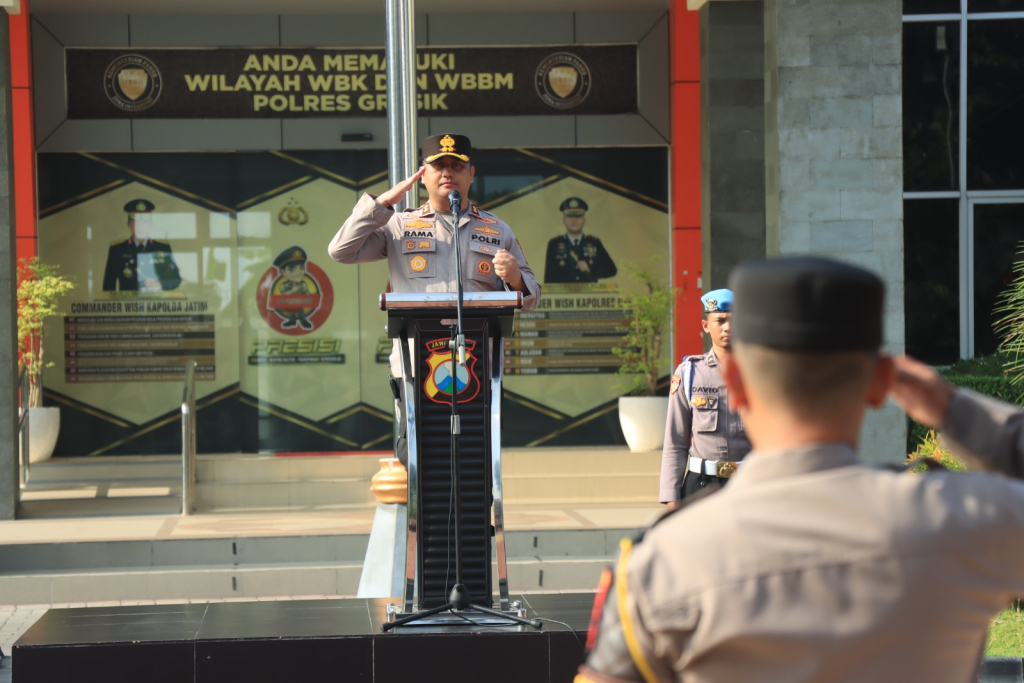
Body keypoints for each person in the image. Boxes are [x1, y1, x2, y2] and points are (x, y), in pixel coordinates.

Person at [577, 255, 1024, 683]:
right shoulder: (969, 522)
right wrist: (953, 410)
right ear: (880, 385)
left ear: (737, 385)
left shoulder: (660, 565)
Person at [327, 133, 541, 463]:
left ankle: (475, 516)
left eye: (457, 166)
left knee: (474, 456)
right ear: (422, 174)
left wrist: (514, 277)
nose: (447, 173)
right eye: (438, 165)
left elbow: (532, 297)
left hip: (475, 364)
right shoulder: (399, 225)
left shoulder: (497, 230)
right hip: (417, 365)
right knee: (416, 455)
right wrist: (382, 204)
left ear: (472, 174)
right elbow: (341, 251)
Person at [659, 289, 751, 509]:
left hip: (749, 484)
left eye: (732, 320)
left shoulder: (759, 372)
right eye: (719, 320)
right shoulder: (689, 373)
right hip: (700, 485)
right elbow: (675, 442)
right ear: (706, 326)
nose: (727, 327)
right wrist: (672, 499)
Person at [102, 199, 181, 292]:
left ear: (151, 224)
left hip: (155, 304)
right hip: (127, 304)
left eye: (144, 222)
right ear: (128, 224)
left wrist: (160, 283)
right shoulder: (117, 249)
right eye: (136, 222)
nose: (140, 226)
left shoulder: (162, 248)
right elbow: (108, 285)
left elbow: (175, 279)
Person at [544, 197, 617, 284]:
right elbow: (549, 279)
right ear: (564, 220)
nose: (574, 220)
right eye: (570, 215)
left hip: (589, 296)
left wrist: (590, 269)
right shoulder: (554, 244)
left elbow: (611, 270)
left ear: (584, 220)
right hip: (564, 296)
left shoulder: (594, 243)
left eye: (578, 215)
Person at [271, 245, 315, 330]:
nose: (299, 272)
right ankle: (292, 320)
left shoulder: (302, 284)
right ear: (282, 271)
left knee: (301, 312)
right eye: (292, 269)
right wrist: (292, 290)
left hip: (300, 304)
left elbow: (307, 294)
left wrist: (310, 298)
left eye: (302, 268)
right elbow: (283, 296)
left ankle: (303, 321)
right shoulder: (284, 285)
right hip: (289, 304)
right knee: (291, 312)